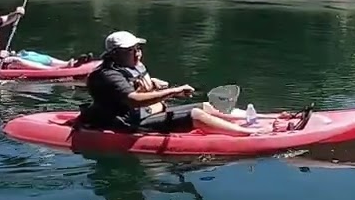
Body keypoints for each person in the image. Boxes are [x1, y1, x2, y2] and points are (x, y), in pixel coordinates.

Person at [78, 31, 258, 135]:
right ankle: (249, 135)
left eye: (138, 49)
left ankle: (251, 120)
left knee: (204, 105)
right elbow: (133, 100)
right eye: (131, 50)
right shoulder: (108, 74)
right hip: (124, 124)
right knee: (194, 114)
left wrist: (153, 83)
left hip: (142, 115)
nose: (138, 53)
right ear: (115, 54)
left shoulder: (130, 66)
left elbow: (133, 84)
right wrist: (174, 91)